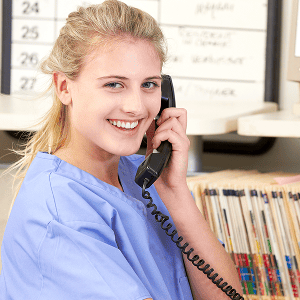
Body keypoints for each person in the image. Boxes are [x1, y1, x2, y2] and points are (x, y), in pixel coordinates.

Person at [0, 1, 242, 299]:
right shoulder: (61, 215)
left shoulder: (142, 178)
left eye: (149, 84)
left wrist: (177, 194)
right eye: (114, 84)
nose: (137, 107)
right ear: (64, 87)